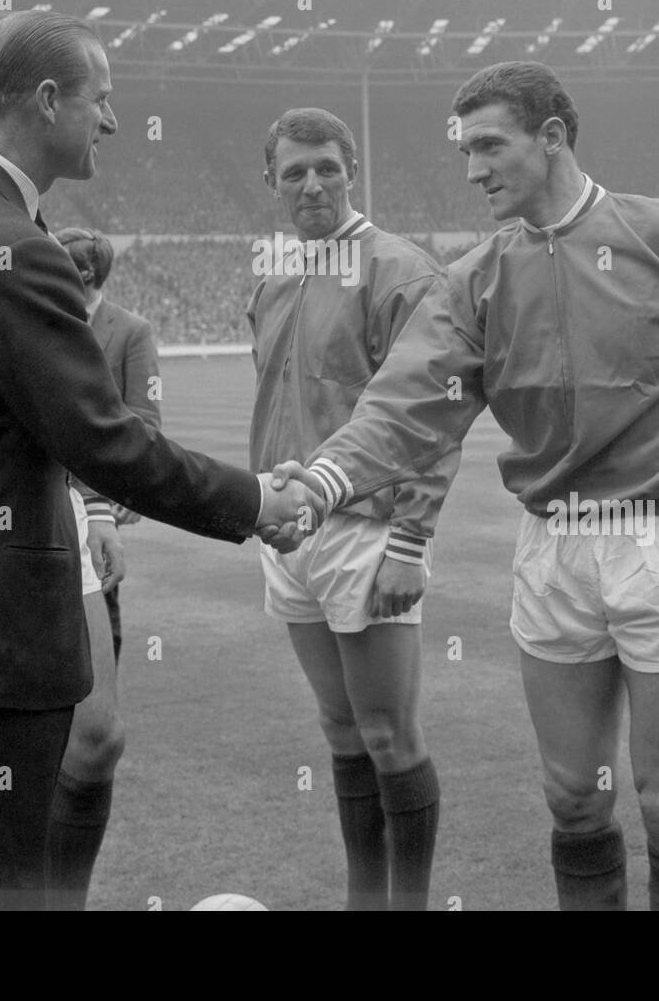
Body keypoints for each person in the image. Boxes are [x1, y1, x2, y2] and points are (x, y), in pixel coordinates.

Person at [0, 9, 321, 910]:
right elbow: (102, 439)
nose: (109, 121)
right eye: (102, 100)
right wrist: (256, 500)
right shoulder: (11, 246)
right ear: (50, 99)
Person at [276, 61, 659, 911]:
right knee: (572, 796)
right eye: (464, 150)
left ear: (552, 136)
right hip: (551, 548)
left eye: (489, 145)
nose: (472, 169)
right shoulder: (475, 276)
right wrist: (319, 483)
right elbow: (403, 404)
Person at [249, 109, 450, 911]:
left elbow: (433, 409)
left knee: (387, 735)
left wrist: (410, 538)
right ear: (271, 181)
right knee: (339, 732)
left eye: (326, 167)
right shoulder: (272, 277)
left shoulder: (400, 269)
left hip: (369, 532)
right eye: (294, 171)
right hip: (287, 533)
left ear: (352, 171)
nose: (312, 184)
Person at [46, 226, 161, 910]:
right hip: (35, 518)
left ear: (90, 272)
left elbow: (140, 421)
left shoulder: (128, 330)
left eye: (71, 263)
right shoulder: (33, 320)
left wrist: (99, 506)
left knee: (93, 715)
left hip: (89, 523)